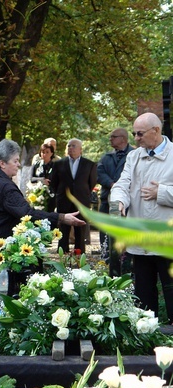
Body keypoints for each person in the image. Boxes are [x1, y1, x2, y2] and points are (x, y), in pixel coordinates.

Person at [0, 139, 85, 289]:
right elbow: (27, 213)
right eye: (15, 161)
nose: (18, 164)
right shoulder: (4, 186)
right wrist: (62, 217)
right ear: (2, 163)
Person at [110, 112, 173, 317]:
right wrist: (119, 201)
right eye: (133, 133)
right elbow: (123, 184)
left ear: (156, 131)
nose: (135, 139)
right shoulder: (134, 156)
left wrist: (161, 192)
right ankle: (146, 341)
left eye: (139, 134)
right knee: (143, 299)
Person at [50, 138, 97, 253]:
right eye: (69, 146)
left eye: (73, 146)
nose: (70, 148)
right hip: (64, 200)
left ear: (80, 149)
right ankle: (62, 254)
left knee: (80, 230)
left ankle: (79, 254)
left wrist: (82, 192)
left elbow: (92, 183)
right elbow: (54, 183)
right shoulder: (59, 164)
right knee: (63, 230)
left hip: (81, 201)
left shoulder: (89, 164)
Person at [97, 128, 132, 272]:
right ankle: (108, 263)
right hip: (107, 201)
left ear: (123, 139)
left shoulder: (134, 155)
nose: (110, 139)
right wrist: (112, 184)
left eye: (113, 137)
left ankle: (127, 267)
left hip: (127, 204)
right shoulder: (106, 157)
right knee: (106, 234)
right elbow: (99, 173)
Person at [31, 142, 56, 212]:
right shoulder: (36, 165)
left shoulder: (55, 166)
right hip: (37, 193)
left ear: (51, 153)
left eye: (47, 152)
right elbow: (31, 179)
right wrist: (41, 180)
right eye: (43, 152)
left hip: (51, 195)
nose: (44, 154)